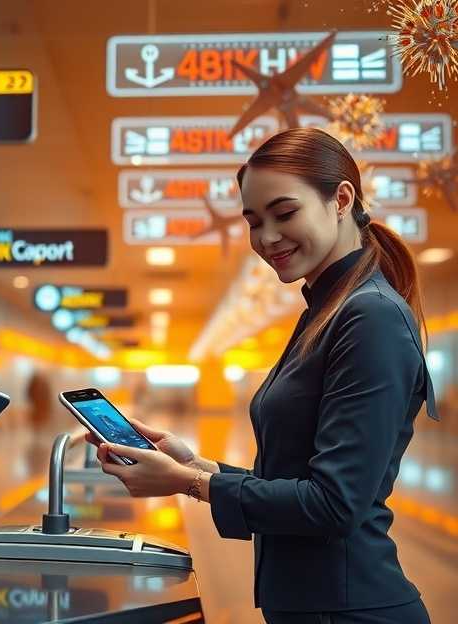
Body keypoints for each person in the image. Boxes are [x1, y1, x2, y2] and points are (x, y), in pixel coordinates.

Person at [88, 128, 438, 623]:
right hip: (316, 606)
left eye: (285, 213)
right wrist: (198, 465)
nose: (267, 237)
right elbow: (295, 481)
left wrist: (190, 484)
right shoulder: (327, 310)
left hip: (350, 611)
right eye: (254, 221)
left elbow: (333, 505)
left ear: (341, 199)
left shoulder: (370, 317)